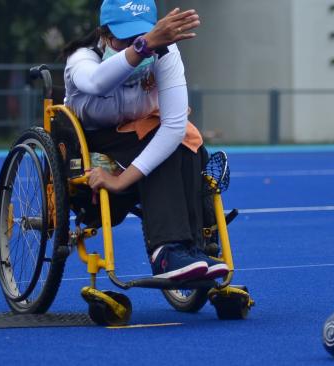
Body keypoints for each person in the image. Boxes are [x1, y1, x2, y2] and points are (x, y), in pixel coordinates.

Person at [62, 0, 228, 281]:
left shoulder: (165, 51)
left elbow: (174, 126)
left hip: (144, 128)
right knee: (160, 142)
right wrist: (143, 47)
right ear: (104, 35)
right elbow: (97, 84)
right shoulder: (82, 58)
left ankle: (193, 247)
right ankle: (166, 251)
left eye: (141, 36)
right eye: (125, 38)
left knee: (188, 143)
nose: (135, 43)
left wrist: (122, 180)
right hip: (94, 138)